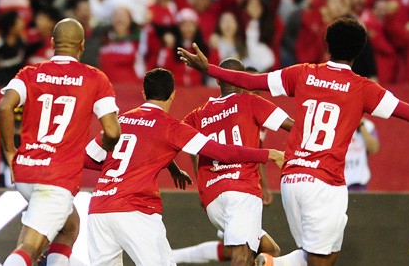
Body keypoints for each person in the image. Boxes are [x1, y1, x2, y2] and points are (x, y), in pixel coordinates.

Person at [177, 17, 409, 266]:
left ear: (327, 44)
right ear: (360, 52)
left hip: (291, 180)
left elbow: (252, 81)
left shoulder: (302, 73)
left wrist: (211, 69)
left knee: (311, 255)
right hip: (324, 183)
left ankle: (274, 262)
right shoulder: (363, 88)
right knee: (324, 260)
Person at [83, 68, 285, 266]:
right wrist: (269, 154)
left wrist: (125, 169)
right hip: (135, 209)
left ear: (144, 93)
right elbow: (223, 152)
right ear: (173, 94)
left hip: (99, 209)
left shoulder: (119, 122)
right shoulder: (171, 127)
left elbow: (86, 159)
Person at [0, 18, 121, 266]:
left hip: (26, 172)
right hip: (55, 179)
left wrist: (10, 150)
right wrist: (105, 145)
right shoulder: (95, 79)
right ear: (83, 46)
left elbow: (4, 107)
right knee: (29, 248)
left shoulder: (31, 73)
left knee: (69, 226)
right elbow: (113, 131)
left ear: (53, 43)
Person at [173, 59, 293, 265]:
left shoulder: (198, 114)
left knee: (270, 251)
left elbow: (171, 143)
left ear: (218, 82)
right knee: (242, 255)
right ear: (242, 78)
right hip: (240, 189)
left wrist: (179, 172)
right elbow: (294, 127)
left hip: (212, 198)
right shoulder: (251, 102)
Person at [344, 118, 379, 192]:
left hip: (359, 182)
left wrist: (362, 127)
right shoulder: (339, 123)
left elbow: (374, 149)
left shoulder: (368, 126)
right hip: (339, 181)